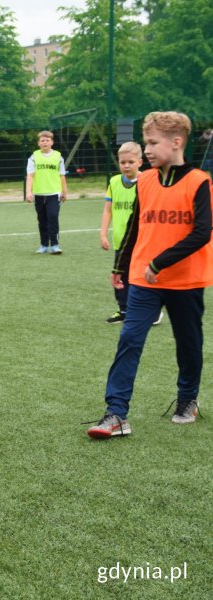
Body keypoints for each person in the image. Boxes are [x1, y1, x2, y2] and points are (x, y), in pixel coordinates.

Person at [87, 111, 213, 439]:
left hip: (185, 279)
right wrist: (120, 265)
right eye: (146, 143)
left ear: (176, 142)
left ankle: (187, 399)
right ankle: (116, 413)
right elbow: (134, 224)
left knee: (188, 343)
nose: (147, 150)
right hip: (143, 278)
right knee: (130, 339)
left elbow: (202, 232)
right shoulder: (144, 179)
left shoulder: (200, 182)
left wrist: (159, 262)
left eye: (153, 143)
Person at [99, 142, 142, 323]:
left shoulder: (147, 181)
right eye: (122, 162)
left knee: (139, 278)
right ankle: (123, 310)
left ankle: (149, 311)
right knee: (120, 277)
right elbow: (108, 210)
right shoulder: (114, 182)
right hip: (120, 241)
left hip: (141, 241)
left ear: (140, 162)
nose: (126, 166)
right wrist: (103, 233)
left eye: (130, 162)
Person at [25, 130, 68, 254]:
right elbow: (30, 176)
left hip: (54, 194)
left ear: (52, 142)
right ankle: (44, 245)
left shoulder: (58, 157)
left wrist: (64, 191)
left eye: (47, 140)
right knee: (42, 219)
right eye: (42, 140)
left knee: (53, 217)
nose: (45, 142)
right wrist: (29, 192)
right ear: (39, 143)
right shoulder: (34, 157)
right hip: (39, 194)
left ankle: (54, 244)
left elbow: (62, 176)